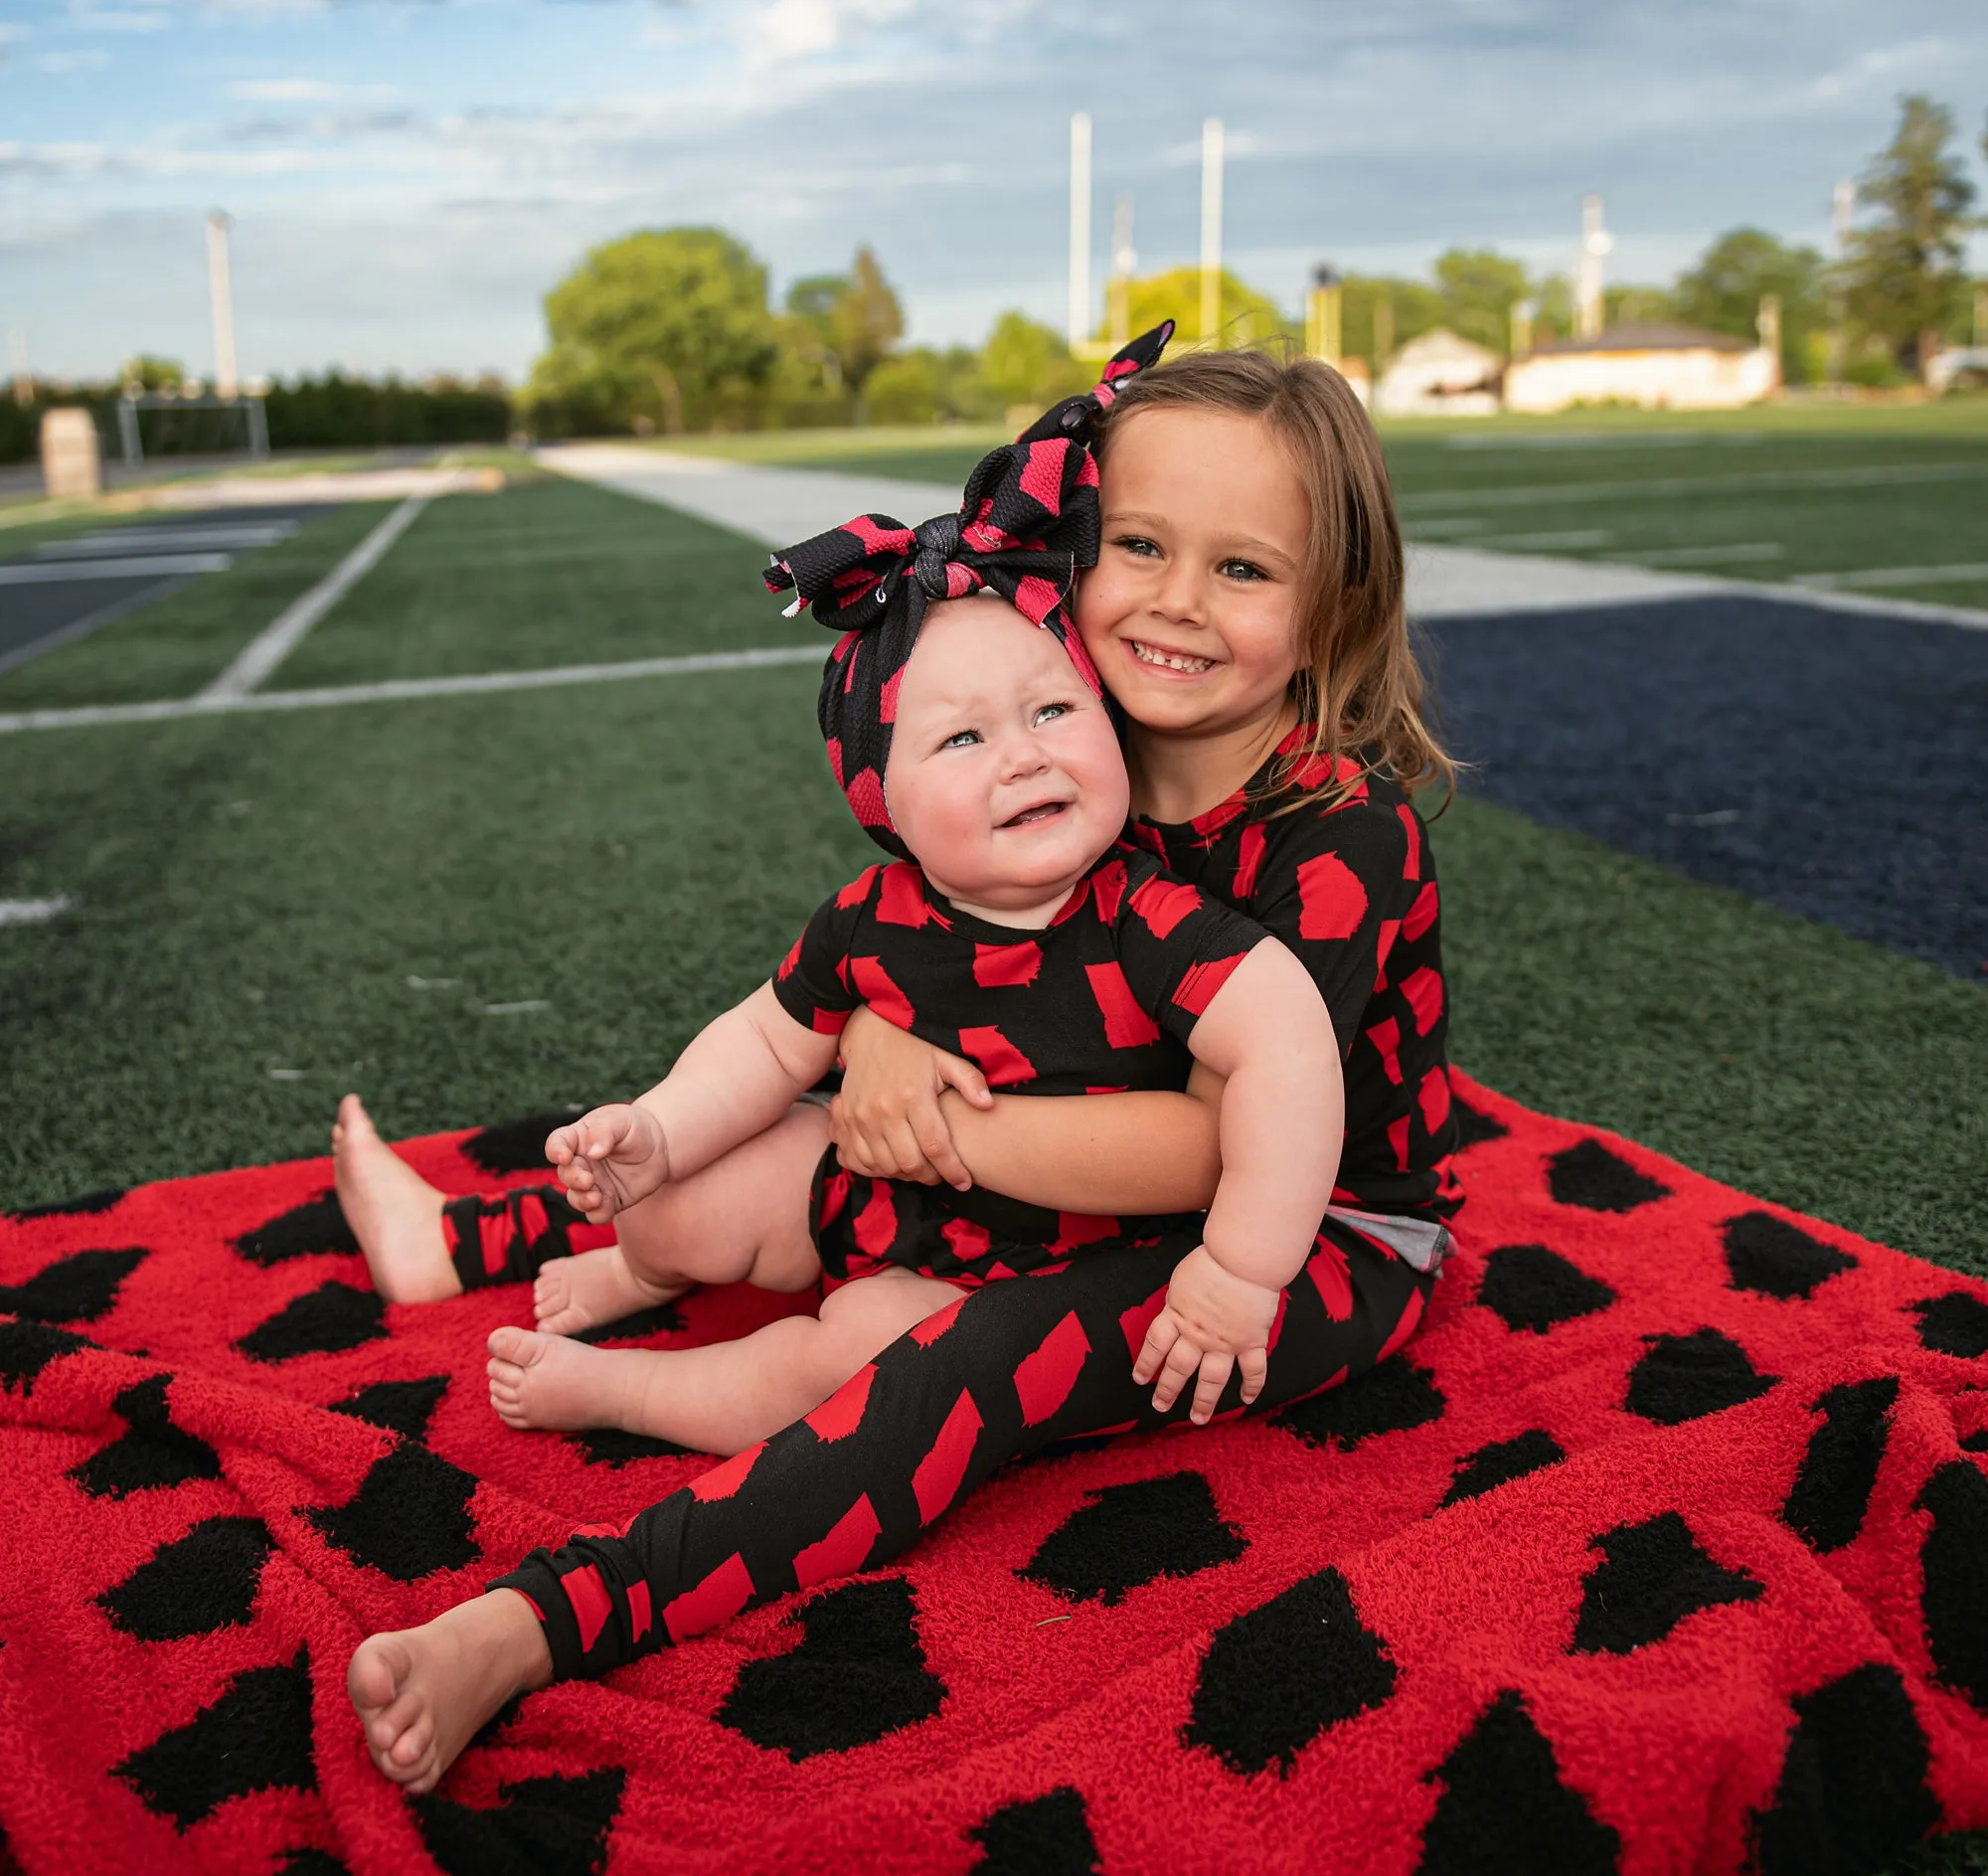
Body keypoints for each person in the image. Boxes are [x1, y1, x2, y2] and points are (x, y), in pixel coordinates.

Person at [345, 331, 1459, 1793]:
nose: (1177, 605)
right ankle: (459, 1240)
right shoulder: (1079, 732)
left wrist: (930, 1122)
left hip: (1290, 1240)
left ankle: (539, 1620)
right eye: (1139, 546)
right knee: (745, 1128)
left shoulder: (1341, 835)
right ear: (1073, 559)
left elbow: (1210, 1150)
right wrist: (880, 1033)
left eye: (1243, 571)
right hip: (1070, 1162)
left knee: (962, 1355)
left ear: (1330, 613)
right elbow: (933, 935)